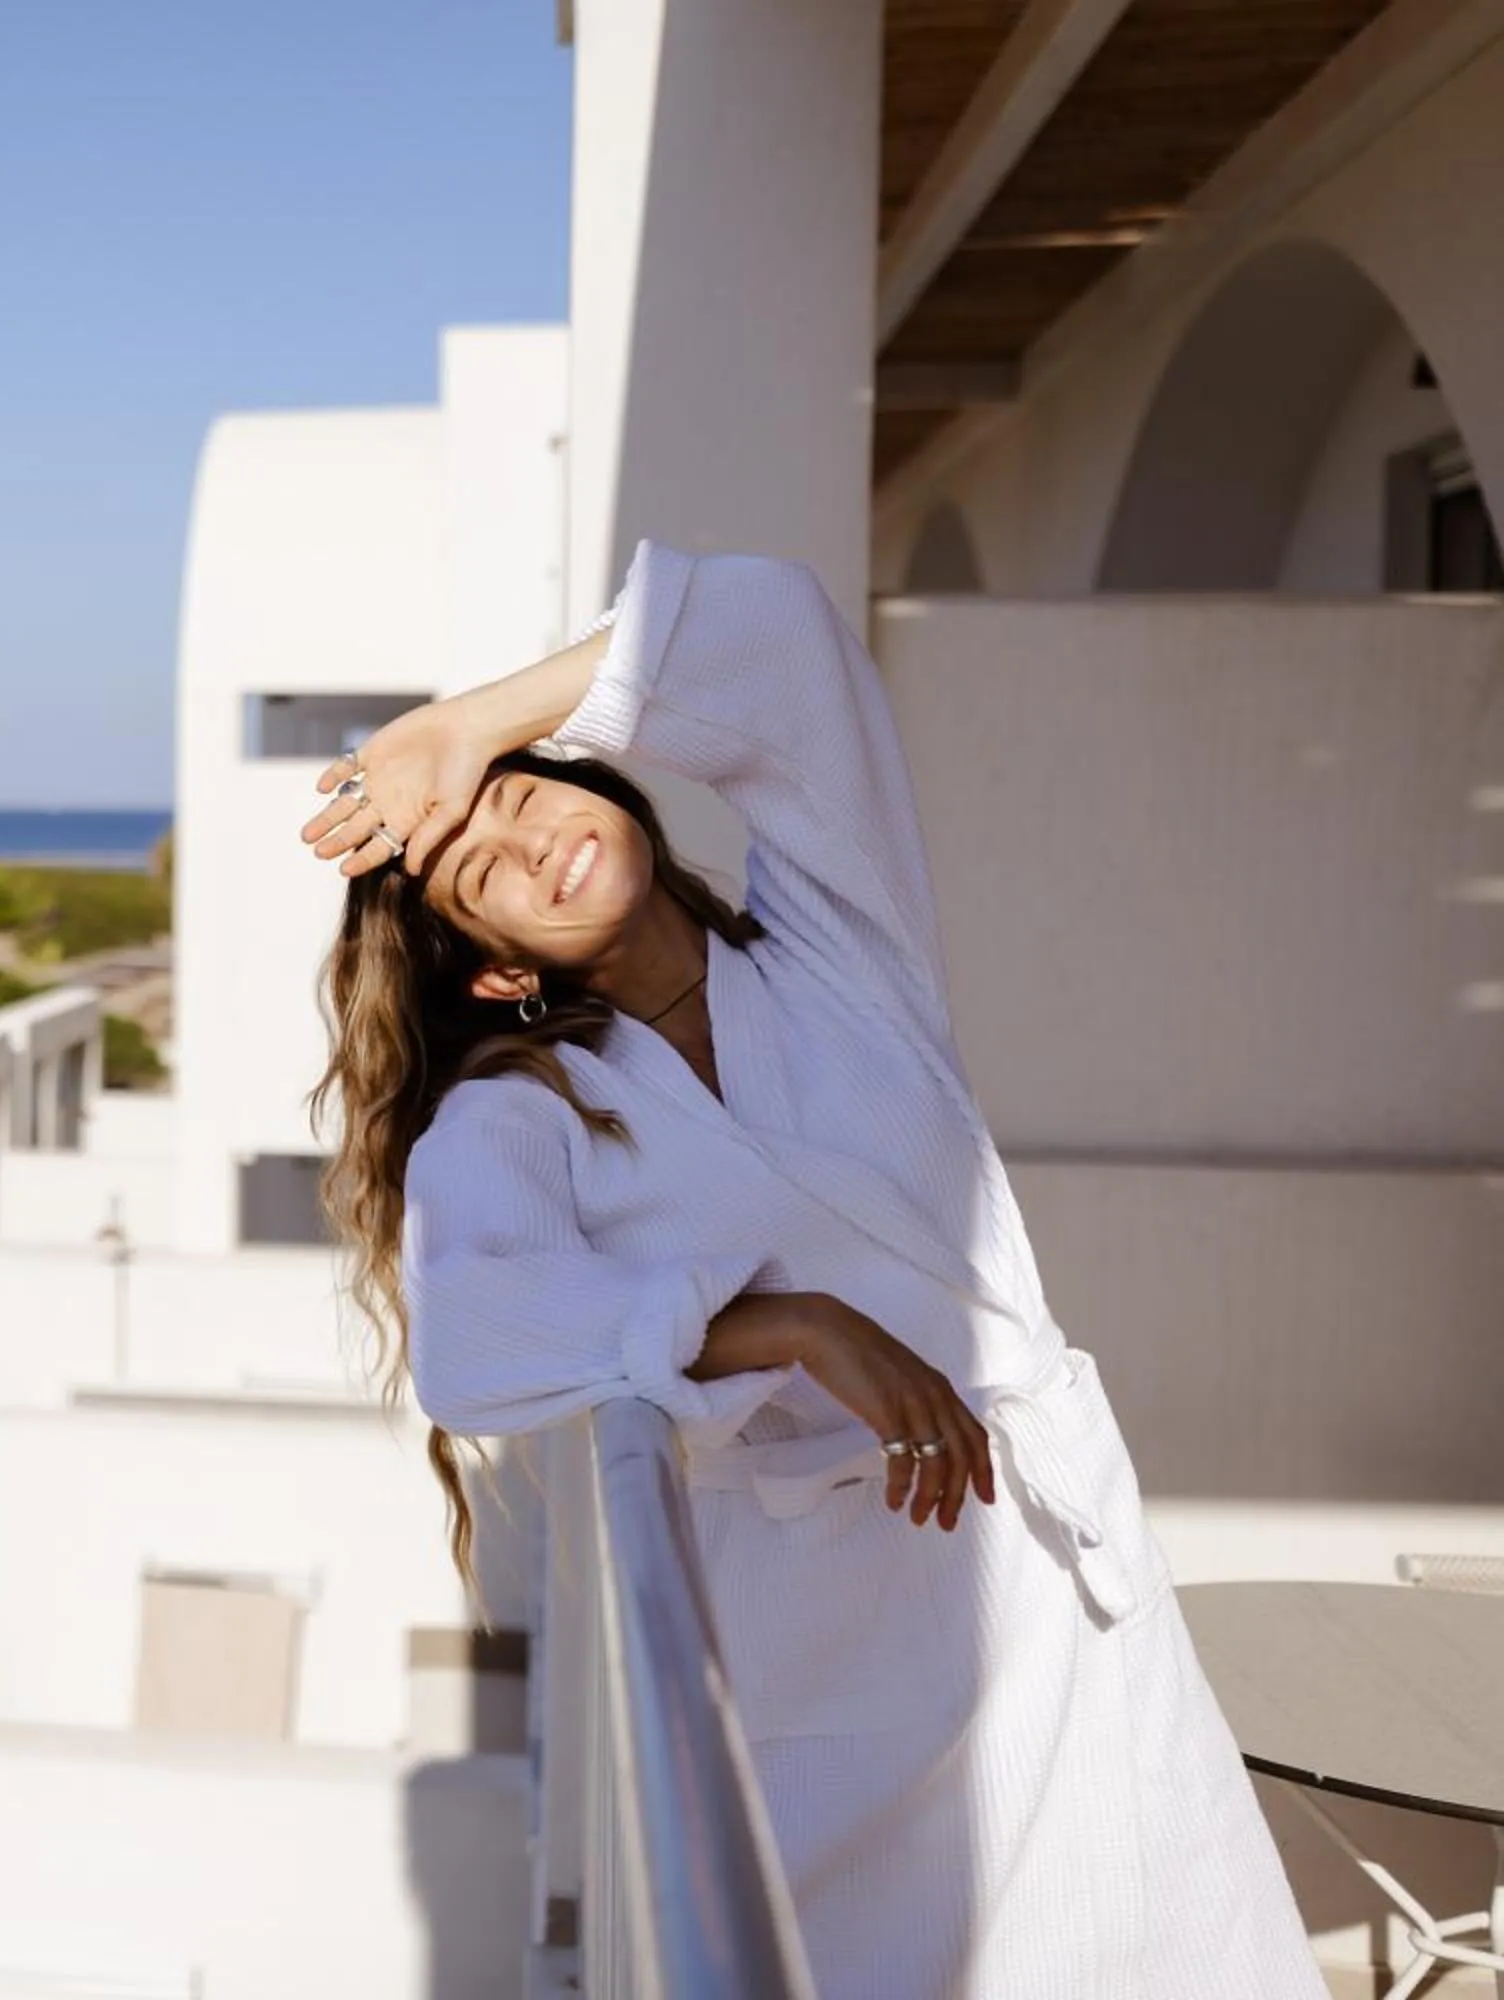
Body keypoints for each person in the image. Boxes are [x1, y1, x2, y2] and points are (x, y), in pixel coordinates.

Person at [301, 542, 1320, 1997]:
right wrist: (776, 1325)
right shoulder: (524, 1112)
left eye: (533, 797)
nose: (534, 844)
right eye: (489, 874)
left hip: (1057, 1587)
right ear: (499, 970)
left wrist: (469, 728)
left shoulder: (842, 949)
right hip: (833, 1665)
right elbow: (477, 1327)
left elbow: (776, 638)